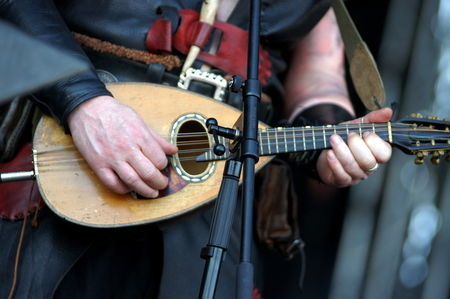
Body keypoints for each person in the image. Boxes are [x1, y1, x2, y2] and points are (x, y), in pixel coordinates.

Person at [0, 0, 392, 298]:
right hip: (62, 167)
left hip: (216, 204)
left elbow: (320, 72)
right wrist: (83, 103)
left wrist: (328, 143)